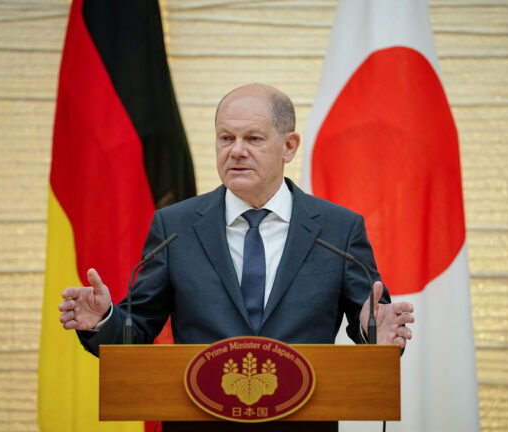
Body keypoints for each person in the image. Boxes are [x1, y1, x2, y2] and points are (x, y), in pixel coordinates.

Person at [58, 83, 414, 431]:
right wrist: (103, 320)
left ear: (288, 146)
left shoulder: (338, 230)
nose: (236, 151)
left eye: (253, 139)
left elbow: (371, 325)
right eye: (225, 138)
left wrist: (377, 339)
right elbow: (135, 334)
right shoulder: (175, 227)